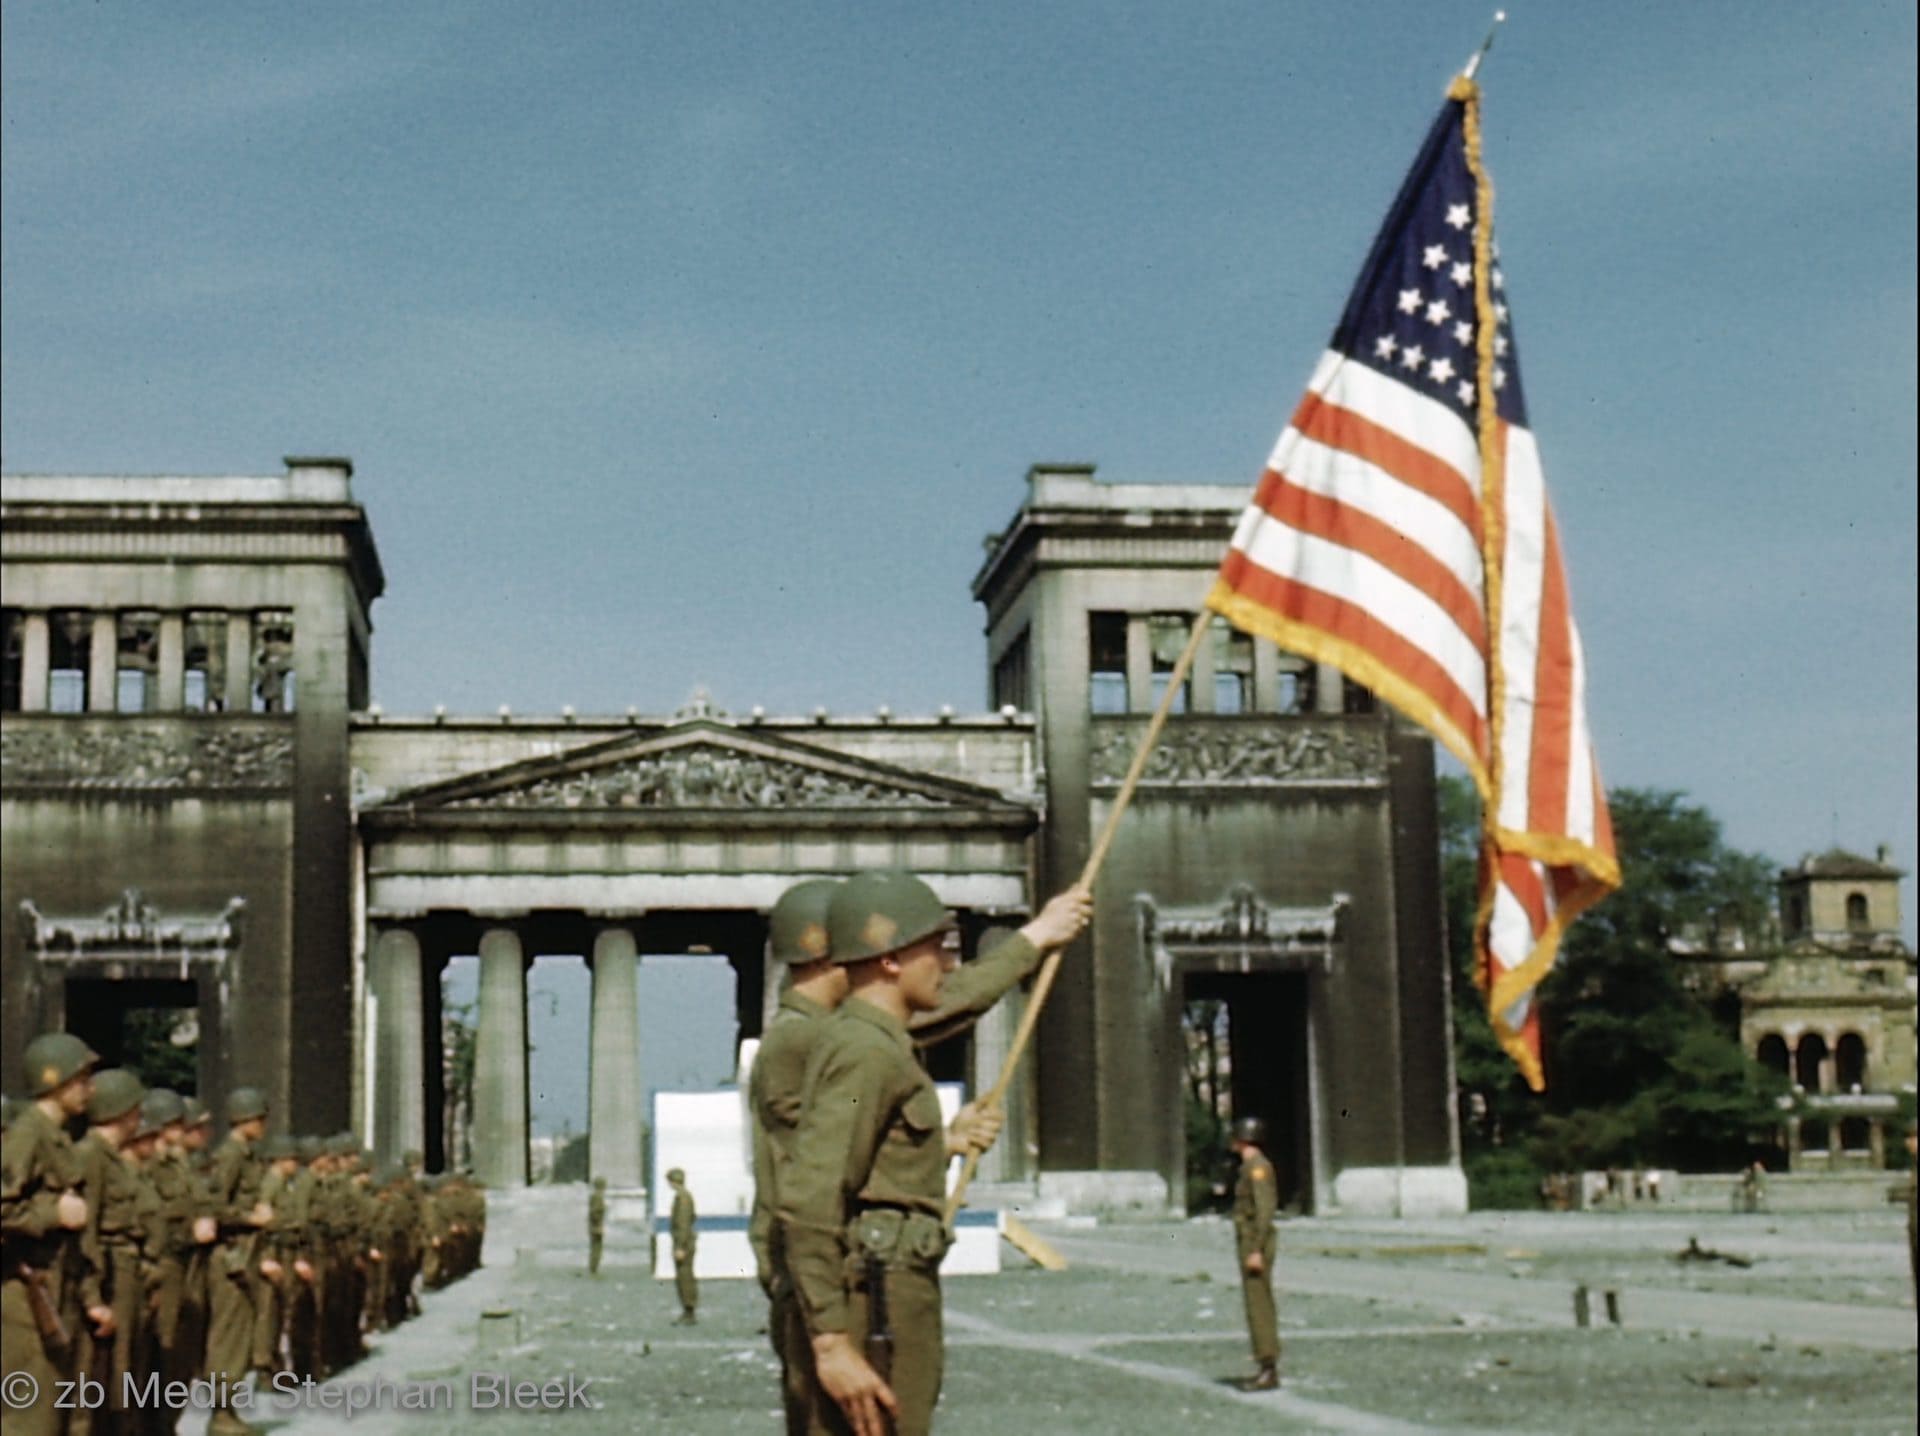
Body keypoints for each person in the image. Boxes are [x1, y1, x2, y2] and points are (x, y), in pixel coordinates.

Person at [750, 874, 1092, 1434]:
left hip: (872, 1284)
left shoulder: (848, 1040)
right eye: (936, 948)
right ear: (879, 958)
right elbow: (816, 1189)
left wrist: (942, 1141)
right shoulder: (851, 1045)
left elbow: (855, 1156)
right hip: (868, 1291)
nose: (947, 963)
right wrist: (834, 1343)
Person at [2, 1033, 100, 1436]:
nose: (89, 1089)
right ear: (55, 1080)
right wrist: (52, 1213)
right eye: (82, 1079)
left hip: (57, 1288)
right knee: (31, 1418)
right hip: (27, 1295)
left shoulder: (55, 1136)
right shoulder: (28, 1133)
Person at [206, 1089, 273, 1434]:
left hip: (245, 1256)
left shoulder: (247, 1155)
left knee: (242, 1334)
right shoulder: (230, 1156)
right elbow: (214, 1206)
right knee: (228, 1336)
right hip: (230, 1256)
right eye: (259, 1119)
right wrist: (250, 1217)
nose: (263, 1125)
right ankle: (220, 1413)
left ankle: (228, 1408)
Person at [1229, 1115, 1281, 1391]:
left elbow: (1264, 1211)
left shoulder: (1257, 1168)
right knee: (1255, 1304)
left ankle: (1267, 1366)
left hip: (1254, 1245)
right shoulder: (1250, 1167)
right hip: (1249, 1243)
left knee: (1259, 1305)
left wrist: (1256, 1249)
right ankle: (1265, 1363)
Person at [666, 1169, 697, 1325]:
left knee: (684, 1278)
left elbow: (683, 1223)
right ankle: (688, 1309)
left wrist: (680, 1246)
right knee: (684, 1276)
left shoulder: (682, 1198)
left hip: (684, 1244)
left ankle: (689, 1310)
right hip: (685, 1242)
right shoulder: (684, 1197)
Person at [587, 1177, 607, 1277]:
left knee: (595, 1247)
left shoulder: (594, 1196)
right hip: (596, 1226)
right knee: (597, 1248)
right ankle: (594, 1269)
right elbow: (595, 1212)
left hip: (594, 1226)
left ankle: (593, 1268)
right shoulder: (598, 1197)